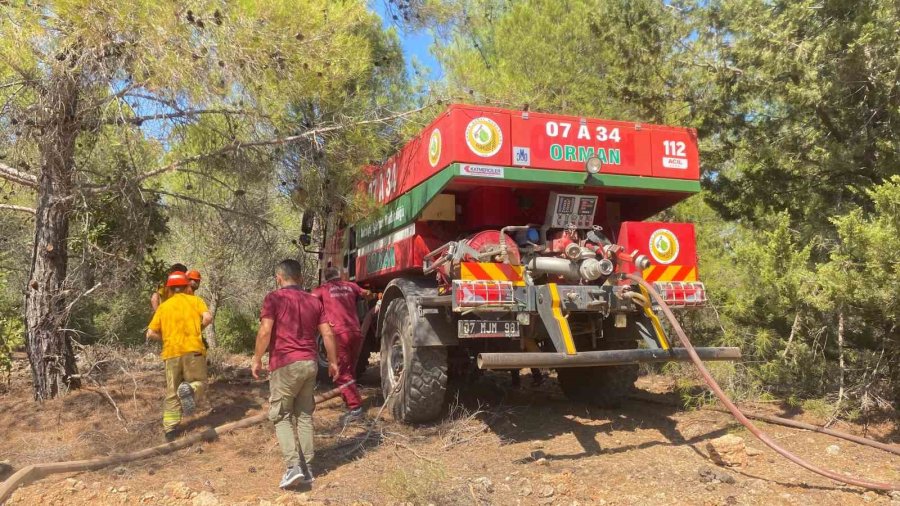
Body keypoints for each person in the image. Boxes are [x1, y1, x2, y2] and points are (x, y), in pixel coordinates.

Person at [252, 259, 337, 490]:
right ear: (300, 278)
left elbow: (265, 331)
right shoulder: (313, 300)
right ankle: (308, 469)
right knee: (305, 416)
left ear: (279, 278)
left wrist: (257, 358)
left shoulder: (274, 298)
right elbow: (327, 334)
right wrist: (333, 361)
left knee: (281, 416)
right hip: (309, 364)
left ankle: (293, 468)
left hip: (285, 364)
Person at [146, 271, 212, 441]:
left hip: (171, 353)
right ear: (186, 285)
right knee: (201, 382)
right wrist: (198, 330)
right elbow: (207, 318)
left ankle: (170, 430)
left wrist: (165, 338)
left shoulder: (164, 307)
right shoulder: (196, 301)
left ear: (170, 287)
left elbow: (151, 333)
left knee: (172, 392)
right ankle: (191, 389)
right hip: (194, 350)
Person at [312, 267, 372, 424]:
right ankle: (350, 400)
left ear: (326, 278)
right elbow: (366, 293)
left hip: (339, 334)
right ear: (339, 276)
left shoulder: (323, 289)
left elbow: (310, 299)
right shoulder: (350, 286)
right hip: (355, 332)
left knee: (340, 372)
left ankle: (355, 408)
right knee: (350, 369)